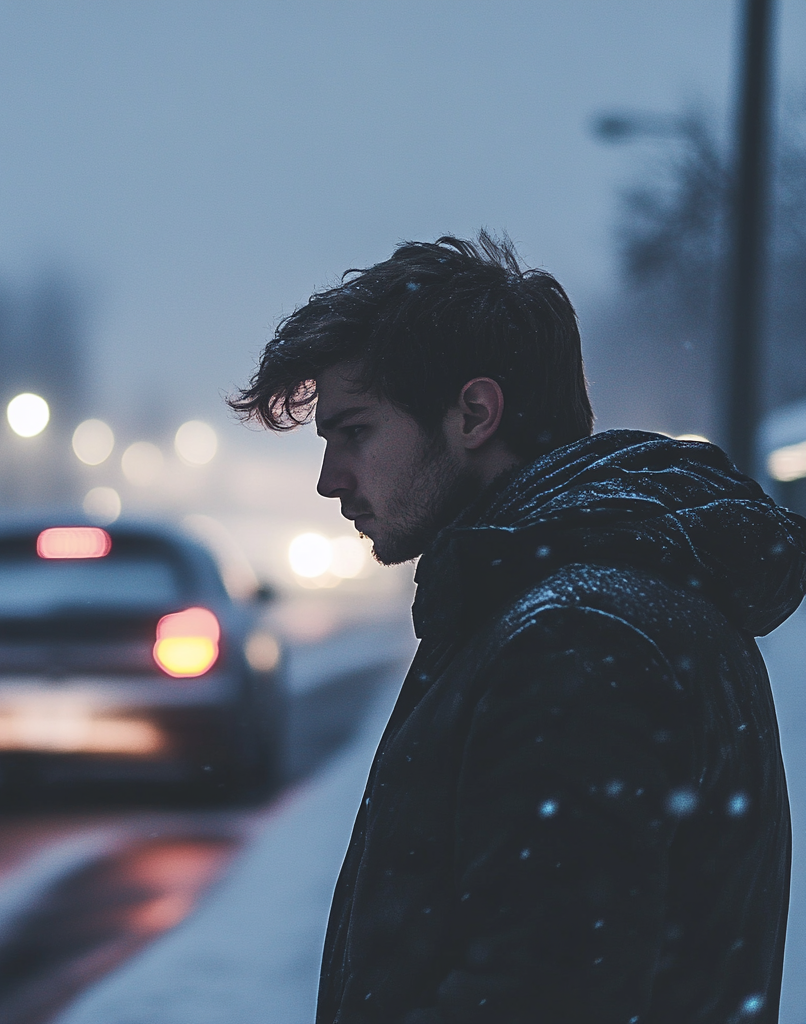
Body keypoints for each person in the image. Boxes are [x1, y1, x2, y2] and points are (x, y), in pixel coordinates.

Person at [229, 233, 806, 1023]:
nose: (330, 480)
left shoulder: (579, 641)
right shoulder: (594, 605)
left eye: (354, 431)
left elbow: (539, 992)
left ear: (474, 413)